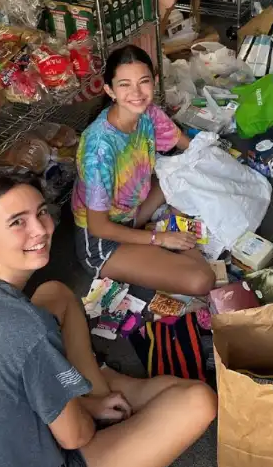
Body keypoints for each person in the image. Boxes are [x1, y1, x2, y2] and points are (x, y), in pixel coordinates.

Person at [0, 173, 217, 467]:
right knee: (198, 401)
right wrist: (89, 409)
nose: (41, 229)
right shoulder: (28, 328)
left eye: (41, 212)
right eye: (17, 222)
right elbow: (77, 437)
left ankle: (98, 385)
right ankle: (101, 388)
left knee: (57, 294)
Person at [72, 44, 215, 295]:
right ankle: (166, 235)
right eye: (125, 84)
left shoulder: (148, 113)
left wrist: (222, 167)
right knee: (201, 280)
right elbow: (98, 227)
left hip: (133, 212)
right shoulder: (99, 148)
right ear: (110, 90)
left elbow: (189, 148)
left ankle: (167, 233)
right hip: (104, 238)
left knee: (178, 174)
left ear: (154, 81)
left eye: (143, 82)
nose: (136, 92)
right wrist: (159, 239)